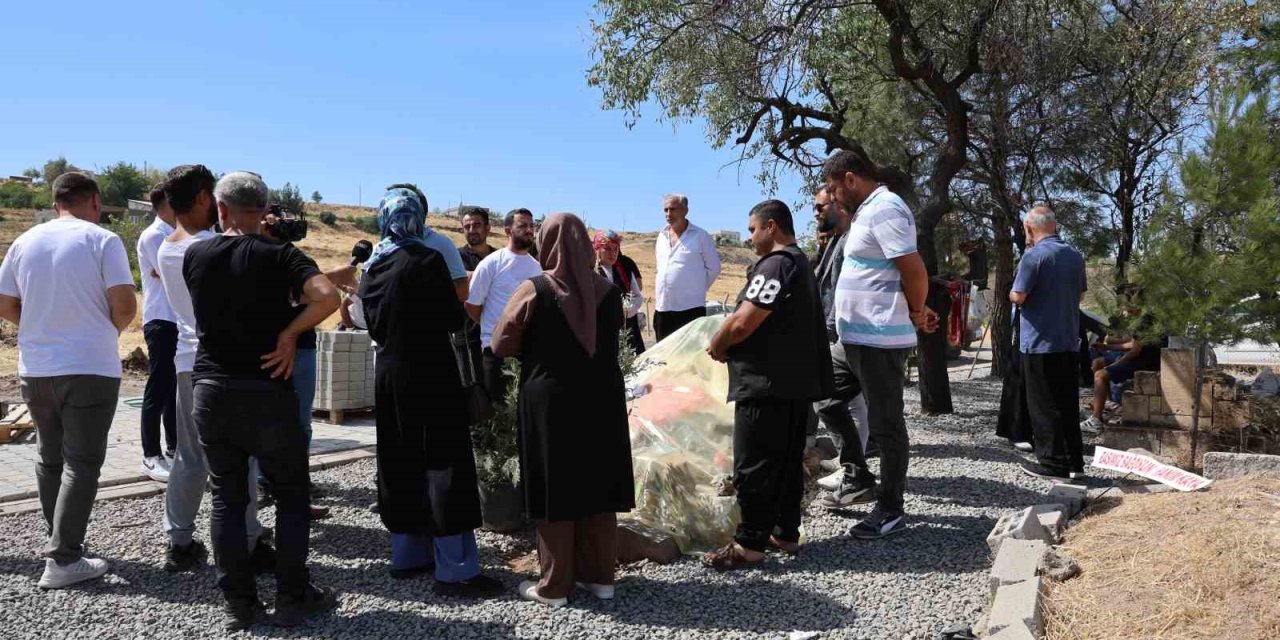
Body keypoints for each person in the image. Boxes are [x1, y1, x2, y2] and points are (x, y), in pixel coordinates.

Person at [184, 172, 340, 630]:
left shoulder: (196, 254)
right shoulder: (280, 255)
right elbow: (327, 296)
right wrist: (290, 333)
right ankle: (293, 595)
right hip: (267, 389)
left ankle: (239, 603)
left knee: (227, 499)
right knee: (291, 495)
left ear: (221, 208)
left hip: (212, 388)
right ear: (264, 210)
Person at [358, 187, 503, 597]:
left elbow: (371, 325)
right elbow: (451, 319)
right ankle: (455, 569)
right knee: (444, 463)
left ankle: (408, 555)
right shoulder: (427, 259)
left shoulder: (372, 267)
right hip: (431, 371)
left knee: (399, 458)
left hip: (389, 374)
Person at [0, 172, 135, 589]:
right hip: (89, 366)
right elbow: (126, 305)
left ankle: (59, 539)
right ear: (94, 201)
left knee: (49, 458)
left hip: (36, 367)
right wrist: (101, 330)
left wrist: (40, 327)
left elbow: (5, 303)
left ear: (55, 201)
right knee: (82, 463)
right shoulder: (102, 240)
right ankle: (63, 558)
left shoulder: (25, 241)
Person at [492, 213, 635, 607]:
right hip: (601, 400)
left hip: (550, 402)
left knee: (554, 486)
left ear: (547, 244)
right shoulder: (607, 292)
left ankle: (554, 587)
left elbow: (501, 343)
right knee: (598, 482)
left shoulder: (534, 290)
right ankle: (600, 578)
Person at [700, 200, 830, 569]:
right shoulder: (799, 263)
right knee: (786, 462)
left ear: (771, 227)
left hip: (765, 385)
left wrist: (719, 344)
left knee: (753, 464)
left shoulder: (775, 265)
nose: (749, 236)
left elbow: (744, 321)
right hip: (791, 386)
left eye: (753, 228)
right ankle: (785, 533)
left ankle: (749, 545)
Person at [157, 165, 272, 575]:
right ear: (206, 198)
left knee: (189, 458)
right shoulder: (209, 246)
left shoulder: (166, 246)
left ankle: (179, 540)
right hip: (225, 365)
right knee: (241, 459)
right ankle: (247, 539)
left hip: (187, 364)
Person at [824, 147, 939, 540]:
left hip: (879, 339)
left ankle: (890, 508)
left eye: (833, 187)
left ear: (851, 179)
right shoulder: (865, 213)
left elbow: (913, 268)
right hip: (852, 338)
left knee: (886, 424)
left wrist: (918, 310)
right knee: (823, 392)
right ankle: (857, 475)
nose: (833, 196)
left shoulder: (887, 207)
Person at [1009, 205, 1087, 481]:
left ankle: (1053, 463)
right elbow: (1079, 295)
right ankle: (1074, 462)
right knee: (1067, 404)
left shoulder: (1033, 257)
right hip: (1068, 340)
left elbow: (1019, 296)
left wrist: (1011, 294)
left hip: (1040, 342)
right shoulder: (1075, 256)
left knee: (1043, 405)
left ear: (1029, 228)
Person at [808, 187, 876, 506]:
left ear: (837, 205)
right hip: (837, 331)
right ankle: (854, 471)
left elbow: (843, 290)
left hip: (847, 333)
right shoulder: (836, 238)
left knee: (854, 403)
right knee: (832, 399)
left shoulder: (852, 238)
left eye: (820, 206)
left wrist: (832, 328)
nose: (816, 212)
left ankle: (864, 481)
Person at [465, 209, 542, 402]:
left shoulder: (536, 267)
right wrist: (495, 326)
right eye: (523, 225)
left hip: (526, 352)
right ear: (508, 230)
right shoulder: (492, 263)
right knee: (497, 416)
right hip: (495, 351)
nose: (529, 230)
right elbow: (473, 306)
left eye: (531, 226)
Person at [137, 183, 179, 482]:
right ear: (164, 204)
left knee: (174, 391)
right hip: (161, 320)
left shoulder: (176, 234)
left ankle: (175, 448)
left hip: (178, 322)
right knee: (158, 388)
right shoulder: (154, 235)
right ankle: (151, 454)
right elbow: (172, 274)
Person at [1081, 311, 1166, 434]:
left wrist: (1116, 364)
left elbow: (1135, 351)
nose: (1122, 311)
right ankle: (1108, 405)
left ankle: (1096, 421)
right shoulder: (1145, 318)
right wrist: (1107, 347)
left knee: (1100, 375)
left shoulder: (1144, 321)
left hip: (1145, 363)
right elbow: (1133, 344)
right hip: (1141, 358)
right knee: (1099, 363)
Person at [653, 193, 721, 341]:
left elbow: (714, 268)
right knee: (661, 359)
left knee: (688, 358)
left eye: (673, 209)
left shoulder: (700, 236)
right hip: (663, 309)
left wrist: (695, 288)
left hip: (690, 310)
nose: (668, 214)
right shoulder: (661, 237)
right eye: (666, 210)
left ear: (685, 210)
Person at [593, 229, 646, 355]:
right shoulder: (590, 272)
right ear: (597, 249)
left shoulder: (625, 269)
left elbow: (637, 297)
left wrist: (627, 310)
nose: (612, 253)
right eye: (607, 249)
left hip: (627, 328)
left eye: (615, 249)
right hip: (601, 331)